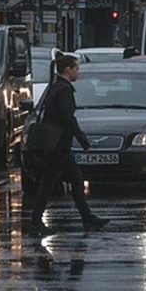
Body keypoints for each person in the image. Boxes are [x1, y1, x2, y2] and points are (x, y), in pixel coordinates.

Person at [27, 53, 109, 236]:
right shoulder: (64, 90)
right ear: (68, 70)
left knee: (75, 180)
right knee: (49, 183)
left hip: (58, 143)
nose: (78, 72)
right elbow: (67, 118)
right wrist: (83, 140)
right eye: (76, 68)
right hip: (59, 144)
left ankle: (88, 219)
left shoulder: (55, 87)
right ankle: (36, 221)